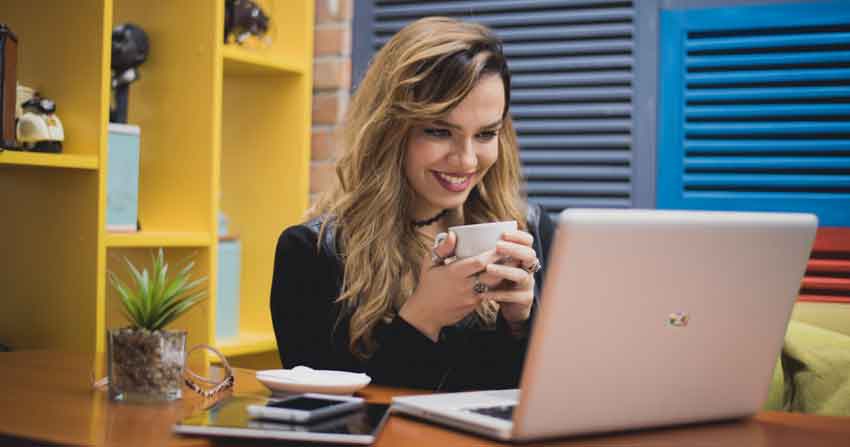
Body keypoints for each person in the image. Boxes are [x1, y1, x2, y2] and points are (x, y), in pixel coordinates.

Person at [270, 17, 556, 391]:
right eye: (439, 131)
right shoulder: (311, 254)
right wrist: (423, 319)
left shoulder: (532, 230)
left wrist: (522, 322)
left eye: (486, 134)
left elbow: (553, 397)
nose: (467, 160)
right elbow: (330, 420)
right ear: (389, 131)